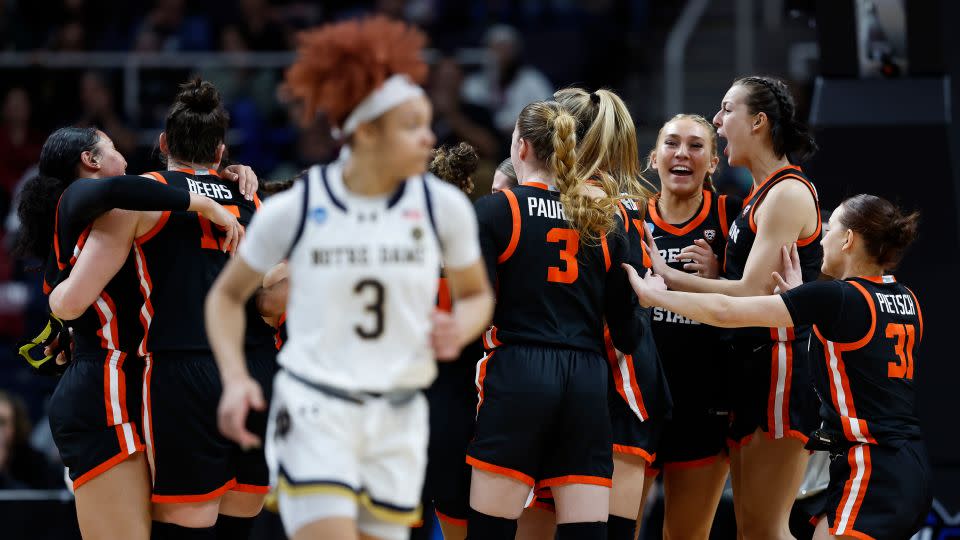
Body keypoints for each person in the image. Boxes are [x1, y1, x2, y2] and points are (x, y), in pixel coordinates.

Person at [206, 16, 494, 540]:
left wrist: (461, 326)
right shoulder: (299, 207)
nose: (430, 137)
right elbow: (226, 298)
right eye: (414, 125)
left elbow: (477, 296)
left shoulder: (444, 207)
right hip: (317, 404)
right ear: (366, 131)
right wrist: (234, 378)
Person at [626, 194, 930, 540]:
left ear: (848, 240)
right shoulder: (908, 299)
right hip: (908, 463)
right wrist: (802, 300)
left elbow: (726, 311)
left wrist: (655, 295)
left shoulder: (837, 297)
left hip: (873, 464)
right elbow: (856, 353)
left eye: (829, 230)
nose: (821, 238)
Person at [48, 80, 271, 540]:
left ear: (164, 143)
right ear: (222, 151)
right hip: (253, 369)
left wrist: (54, 305)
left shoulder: (134, 196)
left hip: (170, 370)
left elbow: (72, 301)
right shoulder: (251, 198)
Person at [646, 76, 822, 539]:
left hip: (778, 369)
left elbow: (748, 294)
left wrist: (664, 281)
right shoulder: (759, 194)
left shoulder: (787, 192)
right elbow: (737, 285)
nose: (720, 121)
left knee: (765, 530)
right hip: (746, 370)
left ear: (758, 122)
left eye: (727, 111)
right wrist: (705, 279)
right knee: (752, 531)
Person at [467, 98, 642, 540]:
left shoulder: (496, 210)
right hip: (586, 378)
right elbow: (628, 334)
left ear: (521, 147)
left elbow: (477, 309)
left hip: (520, 371)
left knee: (491, 531)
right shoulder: (603, 222)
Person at [641, 113, 743, 539]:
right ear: (654, 156)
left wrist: (720, 275)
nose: (682, 153)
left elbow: (760, 298)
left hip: (705, 403)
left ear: (713, 162)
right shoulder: (628, 217)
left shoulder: (732, 217)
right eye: (671, 143)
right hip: (637, 403)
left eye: (696, 145)